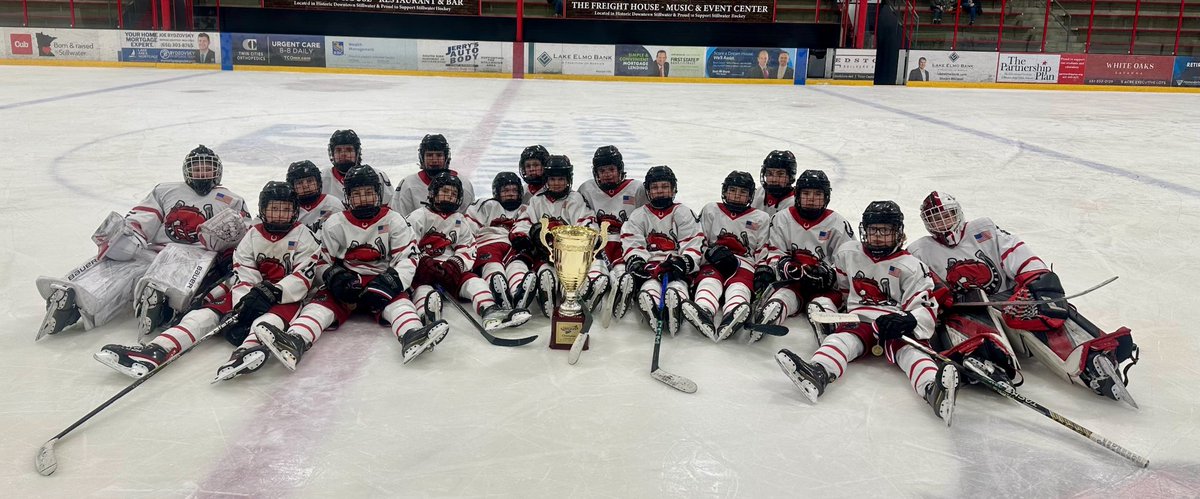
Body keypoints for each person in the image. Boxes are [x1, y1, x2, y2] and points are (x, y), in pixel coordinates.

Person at [909, 191, 1138, 406]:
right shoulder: (920, 251)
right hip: (969, 305)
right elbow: (922, 286)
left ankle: (1092, 359)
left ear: (957, 212)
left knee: (1045, 310)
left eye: (946, 215)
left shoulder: (983, 229)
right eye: (935, 219)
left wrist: (1037, 280)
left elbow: (1018, 253)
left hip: (1011, 298)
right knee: (965, 324)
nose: (943, 223)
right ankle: (984, 362)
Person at [94, 182, 321, 382]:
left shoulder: (304, 236)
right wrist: (243, 303)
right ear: (263, 209)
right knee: (202, 314)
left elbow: (303, 276)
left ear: (294, 211)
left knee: (270, 321)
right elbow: (244, 270)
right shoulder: (252, 235)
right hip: (251, 294)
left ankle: (248, 349)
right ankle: (157, 349)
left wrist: (273, 293)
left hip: (286, 297)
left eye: (285, 209)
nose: (279, 215)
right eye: (274, 209)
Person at [37, 145, 250, 338]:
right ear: (187, 171)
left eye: (207, 169)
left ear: (218, 171)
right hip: (154, 249)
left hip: (196, 256)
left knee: (172, 269)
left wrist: (229, 240)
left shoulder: (232, 200)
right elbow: (146, 216)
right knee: (123, 263)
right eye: (197, 169)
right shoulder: (165, 190)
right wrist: (130, 233)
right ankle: (75, 297)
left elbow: (247, 237)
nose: (202, 174)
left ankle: (162, 302)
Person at [776, 201, 959, 425]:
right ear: (864, 231)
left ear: (898, 233)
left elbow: (924, 305)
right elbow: (842, 289)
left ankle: (933, 389)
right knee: (841, 340)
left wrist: (908, 320)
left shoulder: (911, 265)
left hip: (895, 322)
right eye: (873, 230)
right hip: (860, 318)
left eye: (885, 231)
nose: (878, 236)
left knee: (913, 352)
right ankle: (818, 373)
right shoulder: (848, 253)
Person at [256, 165, 448, 368]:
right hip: (348, 283)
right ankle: (295, 340)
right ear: (347, 196)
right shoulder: (335, 223)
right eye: (357, 194)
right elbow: (319, 261)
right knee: (318, 307)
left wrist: (391, 282)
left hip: (380, 280)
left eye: (368, 193)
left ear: (378, 194)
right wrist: (333, 276)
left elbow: (407, 258)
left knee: (400, 303)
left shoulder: (394, 220)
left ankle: (411, 334)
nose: (363, 199)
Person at [407, 173, 531, 331]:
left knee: (476, 282)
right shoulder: (418, 216)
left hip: (450, 270)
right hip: (424, 272)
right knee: (423, 291)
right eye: (445, 191)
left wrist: (456, 264)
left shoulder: (459, 219)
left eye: (453, 194)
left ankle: (490, 310)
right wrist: (423, 262)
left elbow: (468, 245)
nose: (449, 197)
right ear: (432, 194)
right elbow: (407, 244)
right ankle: (427, 319)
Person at [754, 170, 855, 343]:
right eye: (806, 193)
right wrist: (784, 266)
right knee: (781, 300)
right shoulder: (781, 218)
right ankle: (764, 323)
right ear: (797, 195)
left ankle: (829, 339)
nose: (811, 198)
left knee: (821, 306)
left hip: (825, 289)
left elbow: (849, 262)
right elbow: (774, 252)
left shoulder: (838, 223)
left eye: (817, 194)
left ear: (826, 197)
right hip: (793, 283)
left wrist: (828, 274)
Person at [680, 171, 770, 341]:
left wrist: (763, 270)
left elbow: (762, 251)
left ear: (751, 196)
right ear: (724, 191)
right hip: (713, 262)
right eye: (733, 190)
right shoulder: (710, 210)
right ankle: (703, 310)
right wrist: (710, 253)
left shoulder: (761, 218)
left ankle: (733, 314)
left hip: (743, 264)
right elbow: (699, 240)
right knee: (708, 282)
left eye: (743, 192)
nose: (737, 196)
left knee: (739, 286)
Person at [620, 166, 704, 335]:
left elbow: (693, 242)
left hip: (675, 268)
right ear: (648, 191)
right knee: (648, 289)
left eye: (665, 187)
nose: (660, 191)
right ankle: (654, 310)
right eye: (655, 188)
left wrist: (681, 263)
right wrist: (637, 262)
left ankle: (675, 310)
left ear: (673, 189)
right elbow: (632, 242)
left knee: (676, 288)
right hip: (650, 267)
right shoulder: (638, 215)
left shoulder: (683, 212)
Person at [509, 155, 596, 316]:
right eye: (552, 179)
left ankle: (568, 296)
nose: (556, 183)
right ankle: (545, 294)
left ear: (568, 179)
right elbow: (524, 220)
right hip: (544, 254)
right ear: (546, 180)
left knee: (570, 277)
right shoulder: (537, 200)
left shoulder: (575, 198)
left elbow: (586, 221)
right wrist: (521, 236)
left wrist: (584, 237)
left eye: (560, 179)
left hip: (569, 255)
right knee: (545, 272)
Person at [577, 145, 648, 311]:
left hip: (626, 244)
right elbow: (582, 216)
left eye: (611, 169)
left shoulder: (637, 189)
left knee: (623, 274)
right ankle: (593, 288)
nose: (607, 174)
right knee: (595, 271)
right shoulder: (587, 189)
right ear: (596, 173)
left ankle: (623, 288)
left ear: (620, 169)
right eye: (602, 171)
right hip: (598, 245)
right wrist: (592, 233)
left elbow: (647, 218)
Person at [465, 172, 531, 310]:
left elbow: (527, 227)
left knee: (517, 264)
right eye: (506, 190)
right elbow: (468, 229)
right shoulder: (486, 205)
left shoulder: (525, 209)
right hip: (489, 244)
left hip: (513, 247)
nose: (511, 194)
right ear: (496, 192)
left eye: (514, 190)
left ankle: (518, 293)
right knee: (492, 265)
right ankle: (499, 293)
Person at [391, 133, 475, 216]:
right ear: (422, 158)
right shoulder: (408, 184)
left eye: (439, 155)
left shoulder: (464, 184)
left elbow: (469, 220)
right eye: (429, 155)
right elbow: (400, 219)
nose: (434, 160)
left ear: (446, 157)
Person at [321, 129, 393, 205]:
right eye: (338, 150)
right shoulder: (322, 178)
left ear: (357, 152)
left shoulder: (377, 176)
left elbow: (389, 207)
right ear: (332, 153)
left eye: (349, 150)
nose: (343, 154)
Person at [286, 160, 343, 234]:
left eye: (309, 181)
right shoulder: (288, 209)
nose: (305, 186)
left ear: (318, 182)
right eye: (299, 183)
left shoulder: (333, 205)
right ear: (292, 186)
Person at [752, 150, 797, 216]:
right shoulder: (759, 192)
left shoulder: (794, 202)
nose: (774, 179)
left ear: (790, 176)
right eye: (769, 173)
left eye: (780, 174)